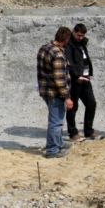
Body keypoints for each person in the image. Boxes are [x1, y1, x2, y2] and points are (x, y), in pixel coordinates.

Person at [37, 27, 74, 157]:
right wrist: (67, 98)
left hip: (45, 90)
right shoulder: (57, 54)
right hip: (55, 93)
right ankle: (52, 150)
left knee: (55, 120)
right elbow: (59, 80)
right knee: (56, 122)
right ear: (66, 39)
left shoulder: (44, 48)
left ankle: (58, 143)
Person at [65, 23, 97, 141]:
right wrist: (77, 76)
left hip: (85, 79)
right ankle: (73, 133)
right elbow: (69, 62)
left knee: (91, 104)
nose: (80, 37)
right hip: (75, 80)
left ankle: (88, 131)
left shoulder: (83, 43)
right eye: (78, 35)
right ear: (73, 32)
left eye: (82, 36)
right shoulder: (69, 44)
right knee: (73, 107)